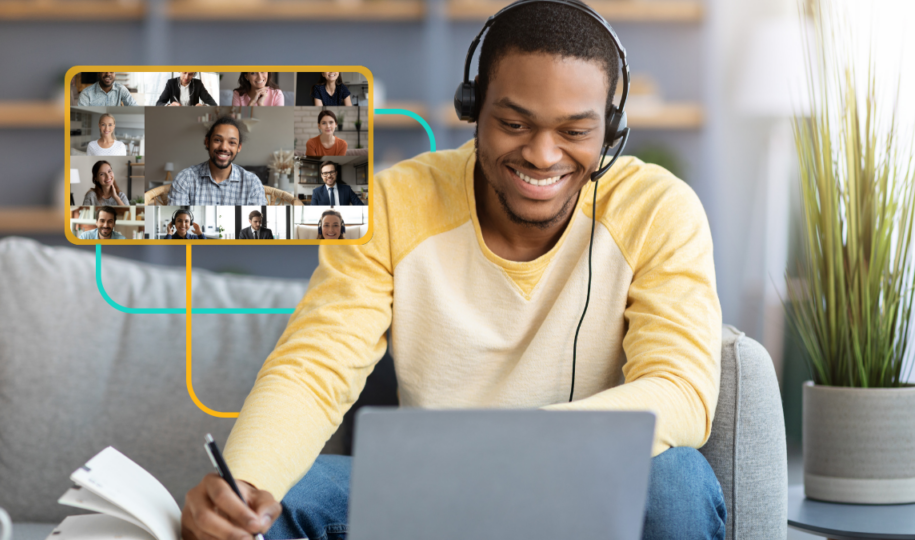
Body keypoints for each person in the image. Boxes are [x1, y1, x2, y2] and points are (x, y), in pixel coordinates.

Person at [180, 2, 725, 540]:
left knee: (677, 479)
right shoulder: (397, 202)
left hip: (588, 486)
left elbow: (680, 389)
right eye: (514, 123)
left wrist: (510, 445)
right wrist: (244, 485)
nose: (541, 154)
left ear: (612, 129)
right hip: (433, 494)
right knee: (282, 498)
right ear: (473, 109)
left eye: (575, 132)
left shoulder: (657, 209)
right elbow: (315, 367)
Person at [168, 117, 266, 206]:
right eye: (217, 140)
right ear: (207, 142)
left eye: (232, 142)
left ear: (239, 147)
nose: (223, 147)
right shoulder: (185, 179)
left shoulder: (253, 183)